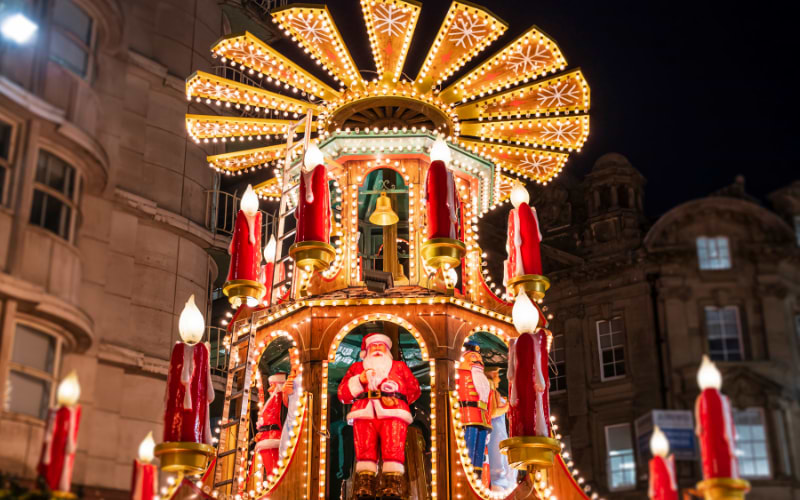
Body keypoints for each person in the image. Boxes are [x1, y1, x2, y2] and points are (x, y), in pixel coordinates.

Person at [338, 333, 421, 500]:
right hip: (364, 411)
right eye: (373, 346)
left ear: (387, 349)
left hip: (393, 413)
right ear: (367, 350)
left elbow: (414, 390)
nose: (377, 348)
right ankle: (365, 485)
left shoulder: (399, 367)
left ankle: (392, 486)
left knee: (393, 447)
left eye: (380, 345)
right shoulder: (356, 368)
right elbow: (343, 394)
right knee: (364, 449)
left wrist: (399, 399)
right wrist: (359, 381)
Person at [456, 341, 493, 477]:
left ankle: (477, 477)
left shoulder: (484, 380)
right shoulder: (458, 374)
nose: (478, 360)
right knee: (469, 449)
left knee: (480, 453)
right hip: (467, 416)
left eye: (480, 358)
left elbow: (488, 403)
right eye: (473, 357)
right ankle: (468, 476)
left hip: (483, 418)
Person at [485, 368, 514, 491]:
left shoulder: (495, 392)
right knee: (498, 458)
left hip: (500, 429)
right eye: (496, 375)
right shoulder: (490, 391)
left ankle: (504, 483)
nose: (499, 378)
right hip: (495, 429)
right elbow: (492, 412)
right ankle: (498, 483)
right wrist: (507, 406)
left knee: (504, 458)